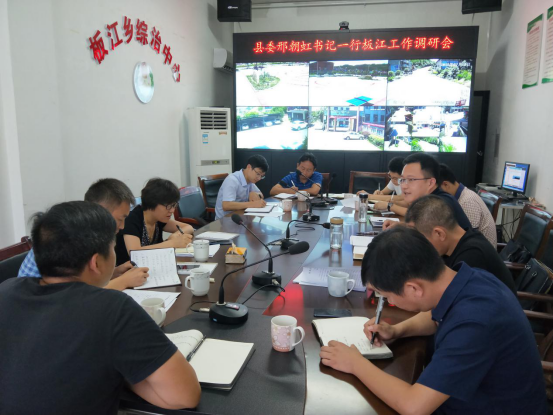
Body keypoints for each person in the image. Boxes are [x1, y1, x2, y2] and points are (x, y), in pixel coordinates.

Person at [320, 226, 546, 415]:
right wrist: (397, 330)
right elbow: (436, 316)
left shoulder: (475, 322)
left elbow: (414, 406)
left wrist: (356, 363)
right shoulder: (468, 279)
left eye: (387, 296)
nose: (388, 301)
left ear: (413, 289)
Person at [0, 201, 201, 414]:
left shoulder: (6, 290)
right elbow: (185, 396)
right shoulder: (113, 308)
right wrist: (121, 368)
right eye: (112, 248)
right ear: (95, 263)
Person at [18, 178, 150, 290]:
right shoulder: (70, 236)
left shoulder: (88, 234)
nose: (122, 226)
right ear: (101, 212)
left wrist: (113, 272)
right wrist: (123, 281)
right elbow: (69, 296)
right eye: (120, 219)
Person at [405, 195, 515, 293]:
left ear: (439, 234)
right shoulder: (455, 242)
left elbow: (448, 298)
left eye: (421, 240)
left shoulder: (471, 256)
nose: (420, 246)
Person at [378, 153, 471, 228]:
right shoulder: (427, 199)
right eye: (402, 180)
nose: (404, 186)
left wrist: (390, 206)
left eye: (411, 179)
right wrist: (401, 225)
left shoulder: (440, 203)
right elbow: (426, 228)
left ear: (430, 183)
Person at [116, 178, 193, 265]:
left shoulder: (159, 219)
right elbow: (135, 252)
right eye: (168, 206)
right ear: (152, 202)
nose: (172, 210)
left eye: (174, 205)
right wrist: (172, 243)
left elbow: (189, 227)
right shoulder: (131, 220)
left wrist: (175, 236)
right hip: (127, 270)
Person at [439, 163, 497, 247]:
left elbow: (468, 239)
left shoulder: (467, 201)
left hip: (479, 251)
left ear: (446, 184)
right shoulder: (460, 197)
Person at [215, 154, 268, 219]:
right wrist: (252, 204)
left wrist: (254, 194)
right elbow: (226, 205)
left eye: (262, 176)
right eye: (258, 174)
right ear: (249, 167)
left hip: (240, 217)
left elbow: (261, 195)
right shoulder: (232, 180)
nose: (259, 178)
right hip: (224, 220)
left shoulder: (250, 180)